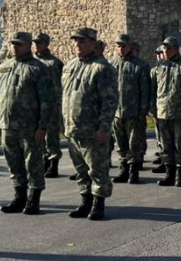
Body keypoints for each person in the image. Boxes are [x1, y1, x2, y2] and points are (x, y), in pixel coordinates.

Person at [0, 32, 53, 215]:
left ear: (28, 46)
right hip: (7, 124)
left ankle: (34, 198)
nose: (15, 47)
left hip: (30, 126)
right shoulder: (5, 67)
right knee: (14, 163)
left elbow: (47, 101)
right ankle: (19, 196)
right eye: (13, 44)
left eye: (19, 44)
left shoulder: (38, 68)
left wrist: (42, 126)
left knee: (33, 163)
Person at [61, 27, 117, 219]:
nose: (78, 44)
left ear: (93, 43)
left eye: (82, 41)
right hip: (73, 129)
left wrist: (104, 128)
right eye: (76, 41)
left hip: (93, 130)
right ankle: (85, 201)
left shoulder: (102, 68)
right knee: (81, 170)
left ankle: (98, 204)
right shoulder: (69, 67)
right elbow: (65, 97)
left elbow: (109, 102)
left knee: (98, 169)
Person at [149, 36, 181, 187]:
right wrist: (153, 109)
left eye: (169, 48)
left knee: (179, 145)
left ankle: (180, 175)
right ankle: (169, 174)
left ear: (176, 49)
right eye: (164, 48)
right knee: (165, 145)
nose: (166, 50)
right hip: (162, 112)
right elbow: (152, 90)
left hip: (180, 113)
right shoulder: (158, 67)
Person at [111, 34, 150, 185]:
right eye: (118, 46)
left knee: (134, 143)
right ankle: (124, 169)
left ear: (130, 47)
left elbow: (144, 90)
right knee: (121, 144)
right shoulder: (112, 64)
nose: (120, 49)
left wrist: (143, 111)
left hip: (133, 112)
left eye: (123, 46)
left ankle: (133, 171)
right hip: (116, 112)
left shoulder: (140, 65)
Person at [33, 33, 65, 178]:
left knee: (52, 136)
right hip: (36, 106)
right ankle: (44, 161)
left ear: (47, 44)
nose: (37, 45)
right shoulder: (32, 62)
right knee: (38, 137)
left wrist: (58, 105)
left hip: (51, 105)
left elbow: (59, 86)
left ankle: (53, 164)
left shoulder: (54, 63)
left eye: (39, 43)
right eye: (35, 43)